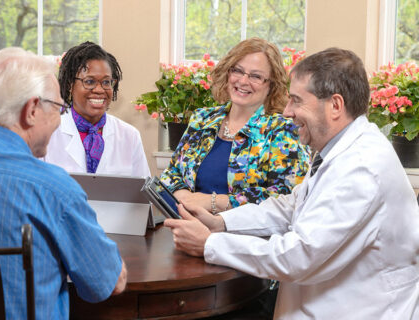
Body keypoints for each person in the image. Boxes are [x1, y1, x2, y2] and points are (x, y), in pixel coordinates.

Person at [165, 48, 419, 319]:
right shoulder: (338, 149)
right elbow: (292, 205)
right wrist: (223, 223)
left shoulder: (360, 168)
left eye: (296, 101)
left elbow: (300, 256)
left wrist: (210, 244)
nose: (287, 112)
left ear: (335, 105)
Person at [0, 47, 127, 319]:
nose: (57, 121)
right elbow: (108, 283)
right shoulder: (55, 191)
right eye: (57, 108)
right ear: (31, 110)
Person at [161, 38, 309, 214]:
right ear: (227, 73)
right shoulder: (203, 119)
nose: (243, 81)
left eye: (255, 76)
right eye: (237, 71)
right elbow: (171, 174)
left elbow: (288, 198)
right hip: (185, 226)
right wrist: (185, 197)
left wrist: (212, 201)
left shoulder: (284, 130)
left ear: (271, 84)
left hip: (246, 238)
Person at [45, 41, 150, 177]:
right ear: (70, 85)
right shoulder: (49, 133)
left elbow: (141, 193)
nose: (99, 90)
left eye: (106, 82)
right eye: (89, 82)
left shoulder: (129, 136)